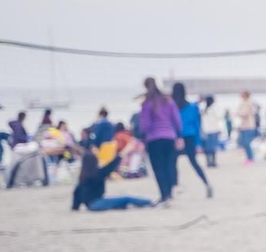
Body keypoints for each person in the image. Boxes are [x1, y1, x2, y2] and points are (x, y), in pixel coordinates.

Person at [137, 77, 182, 205]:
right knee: (169, 166)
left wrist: (142, 134)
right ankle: (169, 193)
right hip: (169, 137)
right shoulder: (168, 100)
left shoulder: (147, 103)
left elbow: (145, 125)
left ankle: (164, 195)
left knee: (158, 168)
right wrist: (179, 135)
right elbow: (177, 120)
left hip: (154, 139)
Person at [71, 150, 154, 211]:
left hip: (90, 205)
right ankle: (150, 202)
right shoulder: (97, 173)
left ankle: (143, 203)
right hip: (97, 203)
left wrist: (75, 207)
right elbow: (109, 167)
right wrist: (119, 157)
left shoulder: (83, 177)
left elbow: (76, 192)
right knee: (126, 198)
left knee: (122, 202)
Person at [171, 83, 213, 199]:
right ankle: (206, 183)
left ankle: (174, 187)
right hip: (190, 136)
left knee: (173, 162)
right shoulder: (192, 107)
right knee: (193, 162)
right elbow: (197, 126)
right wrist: (198, 143)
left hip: (175, 137)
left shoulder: (171, 107)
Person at [200, 95, 225, 167]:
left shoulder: (203, 109)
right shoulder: (213, 108)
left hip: (205, 130)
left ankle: (208, 161)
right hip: (214, 130)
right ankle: (213, 162)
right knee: (213, 147)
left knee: (207, 147)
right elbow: (219, 117)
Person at [236, 91, 260, 164]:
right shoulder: (246, 103)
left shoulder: (248, 103)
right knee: (244, 143)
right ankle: (249, 158)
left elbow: (244, 113)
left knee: (246, 143)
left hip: (248, 126)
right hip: (244, 126)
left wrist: (238, 112)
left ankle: (250, 158)